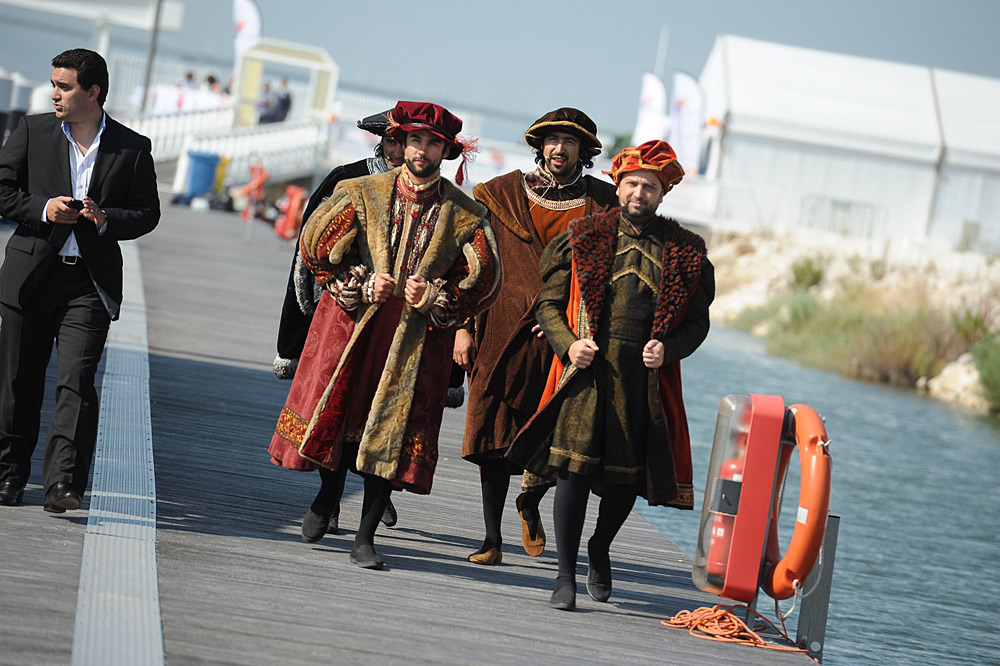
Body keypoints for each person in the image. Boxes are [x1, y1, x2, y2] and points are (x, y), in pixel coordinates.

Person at [268, 101, 502, 570]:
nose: (421, 151)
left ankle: (366, 536)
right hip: (353, 326)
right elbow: (315, 248)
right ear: (401, 142)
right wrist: (357, 281)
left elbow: (486, 280)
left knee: (394, 430)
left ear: (446, 151)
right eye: (415, 140)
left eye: (432, 143)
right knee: (343, 413)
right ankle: (328, 496)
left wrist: (435, 296)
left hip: (417, 340)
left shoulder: (466, 214)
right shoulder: (361, 191)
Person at [507, 139, 714, 610]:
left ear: (663, 193)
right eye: (632, 183)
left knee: (624, 482)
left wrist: (669, 349)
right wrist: (568, 344)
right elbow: (547, 305)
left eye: (650, 186)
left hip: (641, 381)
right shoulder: (584, 236)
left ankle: (599, 548)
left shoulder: (686, 252)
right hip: (585, 373)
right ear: (617, 186)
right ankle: (564, 576)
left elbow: (698, 324)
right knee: (573, 473)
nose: (639, 193)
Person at [456, 108, 618, 565]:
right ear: (540, 146)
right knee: (493, 435)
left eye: (570, 141)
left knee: (557, 434)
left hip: (567, 339)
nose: (560, 148)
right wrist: (463, 328)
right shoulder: (499, 194)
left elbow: (611, 276)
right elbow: (470, 262)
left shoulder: (605, 204)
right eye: (552, 139)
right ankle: (492, 539)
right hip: (497, 330)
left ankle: (530, 499)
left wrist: (566, 324)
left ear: (584, 152)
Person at [0, 49, 160, 511]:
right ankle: (9, 475)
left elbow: (148, 213)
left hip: (89, 284)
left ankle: (63, 485)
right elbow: (3, 190)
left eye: (64, 86)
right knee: (17, 381)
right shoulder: (32, 130)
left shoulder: (133, 147)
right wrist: (42, 209)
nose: (54, 93)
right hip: (30, 277)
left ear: (93, 92)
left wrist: (106, 219)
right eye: (54, 84)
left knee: (76, 382)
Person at [273, 109, 405, 541]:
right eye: (394, 140)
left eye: (411, 142)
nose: (402, 150)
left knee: (382, 412)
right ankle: (329, 497)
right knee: (335, 405)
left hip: (401, 323)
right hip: (344, 310)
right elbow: (311, 249)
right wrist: (302, 323)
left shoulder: (438, 198)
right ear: (381, 140)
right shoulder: (347, 180)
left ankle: (372, 490)